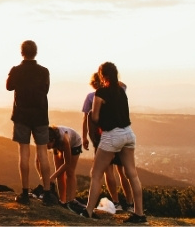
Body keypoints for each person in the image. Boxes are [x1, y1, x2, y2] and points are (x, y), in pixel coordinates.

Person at [82, 62, 146, 223]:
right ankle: (139, 214)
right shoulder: (121, 91)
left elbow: (95, 117)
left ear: (103, 76)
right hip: (129, 134)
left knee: (96, 174)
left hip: (112, 135)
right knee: (132, 174)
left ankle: (88, 211)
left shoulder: (100, 93)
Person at [5, 40, 59, 207]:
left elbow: (8, 87)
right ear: (35, 52)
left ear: (22, 52)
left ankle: (25, 193)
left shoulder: (16, 70)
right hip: (40, 115)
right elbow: (46, 90)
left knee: (24, 153)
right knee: (42, 152)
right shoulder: (44, 71)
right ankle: (47, 193)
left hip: (22, 115)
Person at [44, 125, 84, 213]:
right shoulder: (51, 140)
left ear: (53, 141)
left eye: (47, 144)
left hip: (74, 144)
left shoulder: (64, 140)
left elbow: (67, 163)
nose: (46, 147)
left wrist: (52, 177)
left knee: (70, 172)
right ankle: (62, 201)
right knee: (59, 172)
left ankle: (71, 200)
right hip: (58, 145)